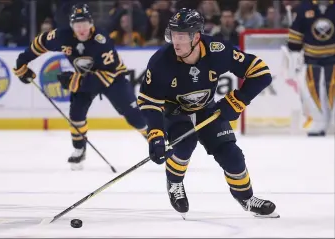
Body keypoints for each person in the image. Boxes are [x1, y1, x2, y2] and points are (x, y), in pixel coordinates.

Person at [137, 8, 279, 218]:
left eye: (182, 36)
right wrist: (156, 134)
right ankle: (174, 182)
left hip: (207, 108)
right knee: (185, 143)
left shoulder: (217, 50)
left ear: (196, 36)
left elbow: (261, 72)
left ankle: (247, 198)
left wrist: (238, 100)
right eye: (174, 35)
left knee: (233, 156)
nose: (176, 42)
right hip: (174, 110)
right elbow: (149, 102)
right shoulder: (161, 61)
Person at [13, 3, 147, 170]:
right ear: (71, 26)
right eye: (77, 25)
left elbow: (105, 75)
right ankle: (79, 149)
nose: (81, 28)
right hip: (85, 77)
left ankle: (155, 139)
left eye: (84, 24)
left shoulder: (101, 40)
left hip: (113, 77)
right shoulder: (62, 36)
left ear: (91, 24)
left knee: (132, 114)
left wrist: (74, 82)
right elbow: (41, 42)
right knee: (76, 114)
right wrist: (22, 60)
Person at [286, 0, 335, 136]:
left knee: (332, 90)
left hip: (333, 58)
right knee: (314, 92)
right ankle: (319, 123)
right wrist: (294, 49)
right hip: (311, 58)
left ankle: (331, 123)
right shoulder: (304, 7)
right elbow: (296, 34)